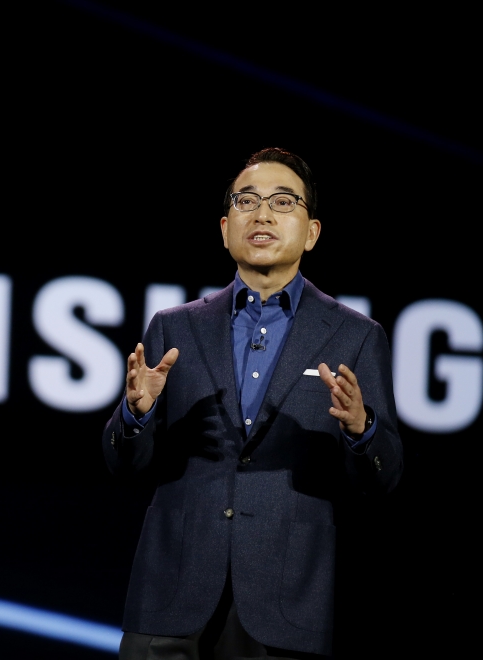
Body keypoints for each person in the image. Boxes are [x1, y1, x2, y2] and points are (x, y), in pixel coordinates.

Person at [102, 148, 403, 659]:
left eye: (283, 202)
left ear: (312, 232)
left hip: (284, 604)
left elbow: (385, 477)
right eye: (247, 201)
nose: (262, 214)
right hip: (169, 598)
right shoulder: (174, 328)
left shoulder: (355, 336)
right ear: (225, 229)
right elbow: (123, 465)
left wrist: (362, 429)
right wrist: (137, 415)